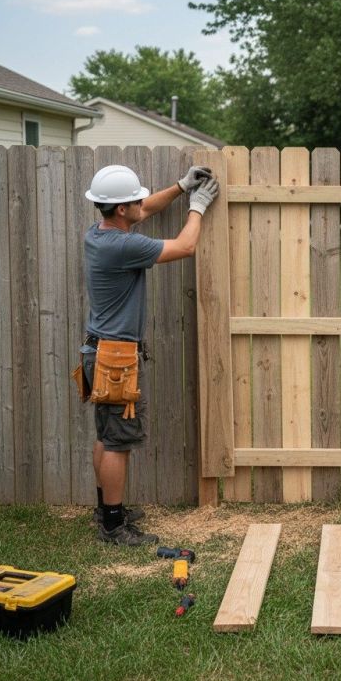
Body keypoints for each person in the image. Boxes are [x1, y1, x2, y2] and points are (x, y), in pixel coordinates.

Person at [81, 163, 220, 545]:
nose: (142, 202)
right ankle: (113, 525)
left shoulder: (99, 233)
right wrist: (199, 205)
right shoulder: (123, 245)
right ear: (121, 209)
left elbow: (146, 210)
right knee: (117, 442)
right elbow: (185, 246)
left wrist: (179, 186)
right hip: (115, 360)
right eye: (134, 201)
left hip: (100, 352)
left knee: (106, 435)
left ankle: (106, 508)